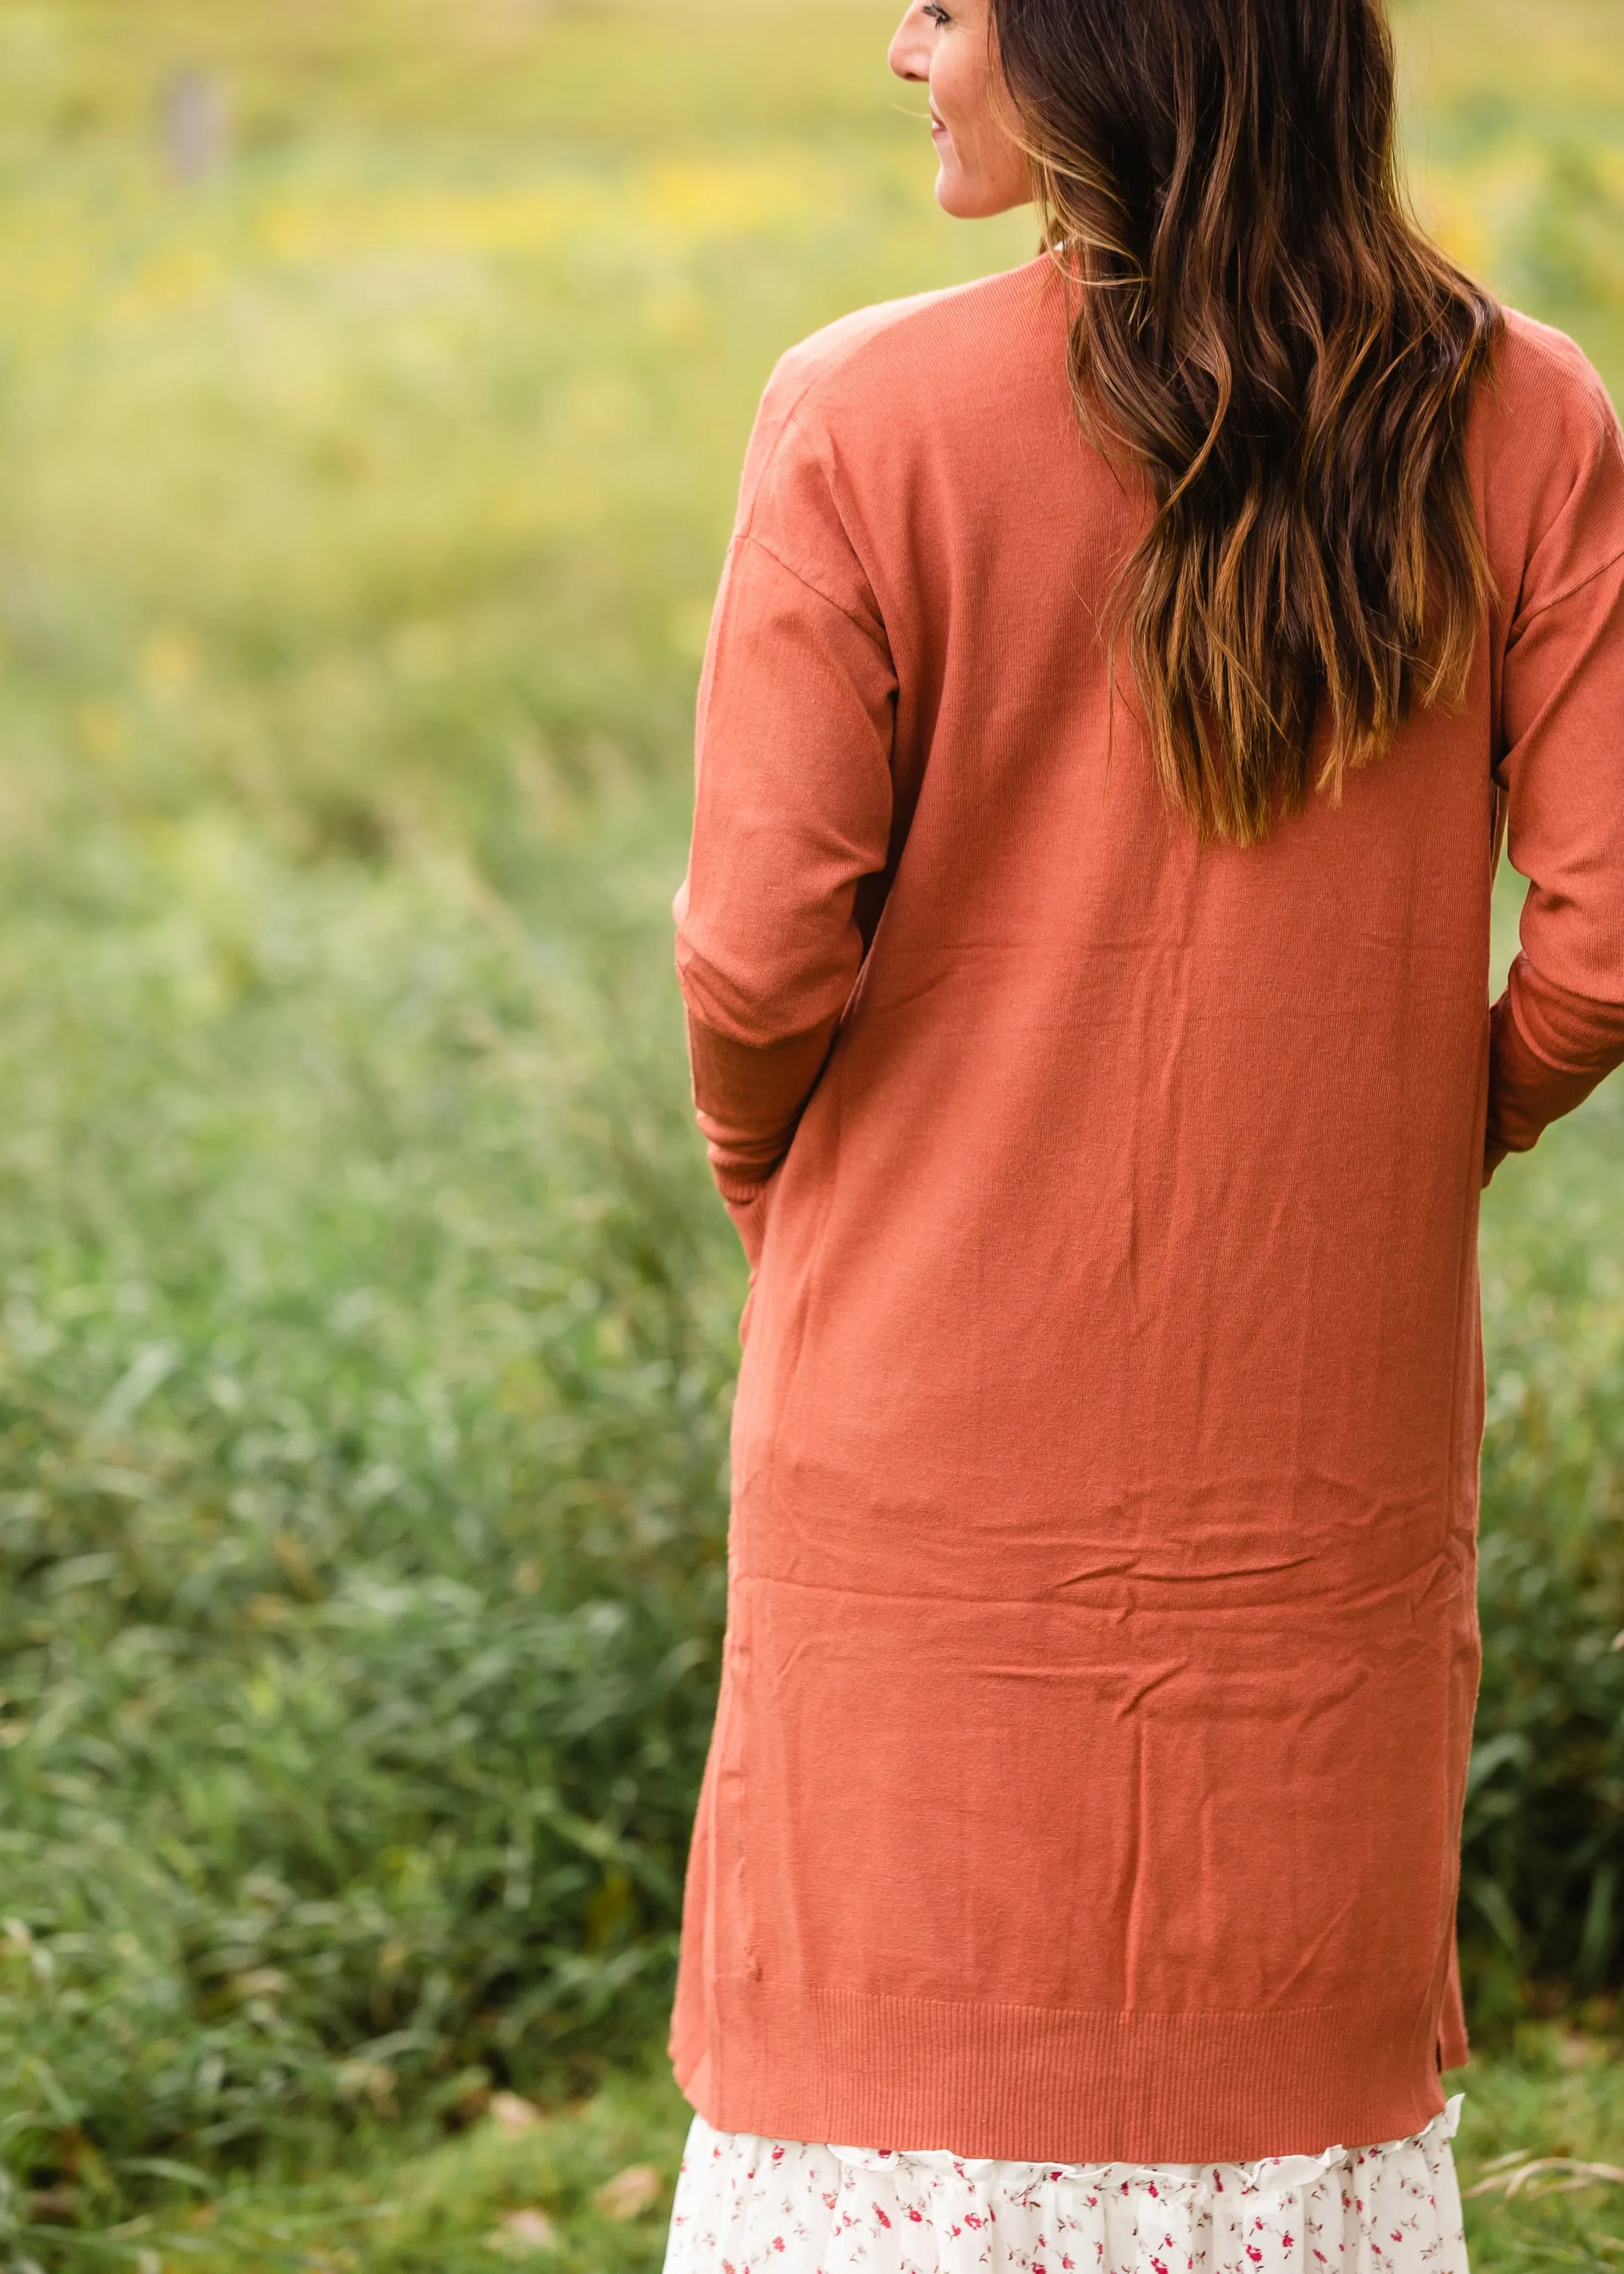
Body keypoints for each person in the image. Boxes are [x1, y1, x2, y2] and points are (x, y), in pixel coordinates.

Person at [662, 0, 1624, 2264]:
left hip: (917, 1409)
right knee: (1267, 2062)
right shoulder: (1524, 416)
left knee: (884, 2059)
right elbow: (1599, 938)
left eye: (945, 3)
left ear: (1115, 39)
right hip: (1316, 1440)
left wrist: (779, 1184)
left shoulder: (863, 413)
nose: (901, 50)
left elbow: (753, 960)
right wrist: (1397, 1142)